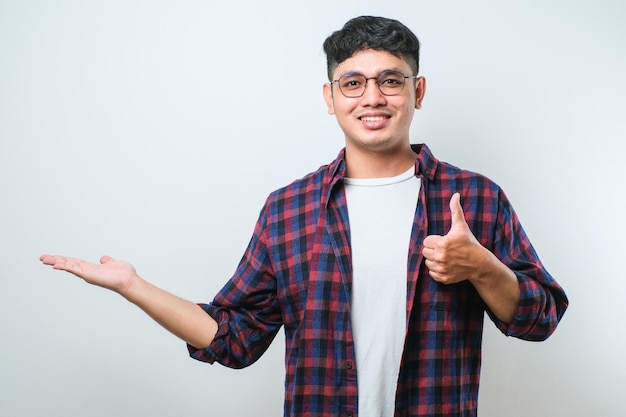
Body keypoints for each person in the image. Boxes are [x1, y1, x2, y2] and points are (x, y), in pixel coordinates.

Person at [40, 15, 568, 417]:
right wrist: (133, 285)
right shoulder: (289, 209)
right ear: (331, 97)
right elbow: (234, 337)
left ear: (417, 92)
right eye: (353, 83)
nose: (373, 97)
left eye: (391, 80)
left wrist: (481, 266)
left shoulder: (474, 199)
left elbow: (540, 317)